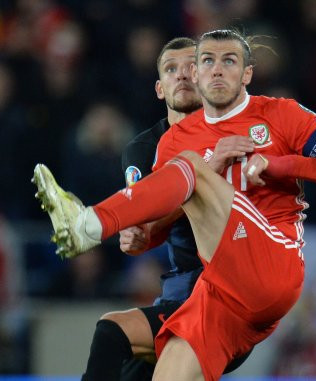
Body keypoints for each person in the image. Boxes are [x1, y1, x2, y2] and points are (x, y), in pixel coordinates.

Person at [33, 29, 316, 381]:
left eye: (229, 61)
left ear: (247, 75)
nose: (217, 70)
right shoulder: (172, 141)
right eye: (208, 61)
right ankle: (95, 223)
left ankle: (89, 223)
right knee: (144, 357)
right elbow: (155, 231)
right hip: (217, 292)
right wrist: (140, 235)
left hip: (271, 263)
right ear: (197, 73)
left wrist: (279, 164)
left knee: (193, 165)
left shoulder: (281, 114)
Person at [81, 37, 250, 380]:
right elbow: (144, 226)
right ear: (160, 88)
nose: (182, 76)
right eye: (171, 70)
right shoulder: (145, 148)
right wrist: (135, 232)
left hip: (225, 299)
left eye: (192, 67)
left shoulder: (236, 137)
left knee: (111, 332)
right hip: (179, 296)